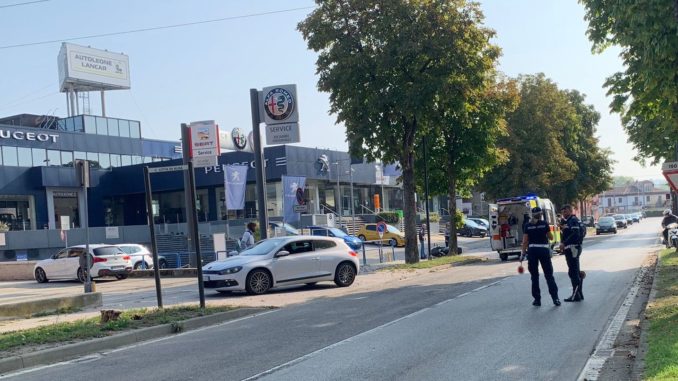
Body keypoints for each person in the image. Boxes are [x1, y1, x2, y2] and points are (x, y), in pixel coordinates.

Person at [521, 207, 560, 307]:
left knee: (534, 277)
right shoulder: (544, 224)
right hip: (543, 251)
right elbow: (551, 237)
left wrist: (523, 253)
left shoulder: (527, 225)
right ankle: (555, 298)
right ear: (541, 214)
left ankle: (537, 300)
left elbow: (525, 241)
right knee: (549, 275)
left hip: (532, 251)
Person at [559, 205, 583, 302]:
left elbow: (575, 234)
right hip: (572, 248)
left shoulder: (572, 220)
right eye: (563, 212)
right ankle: (579, 293)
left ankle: (576, 294)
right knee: (575, 271)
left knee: (573, 272)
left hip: (573, 248)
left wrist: (565, 243)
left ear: (569, 211)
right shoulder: (568, 221)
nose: (563, 214)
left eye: (565, 211)